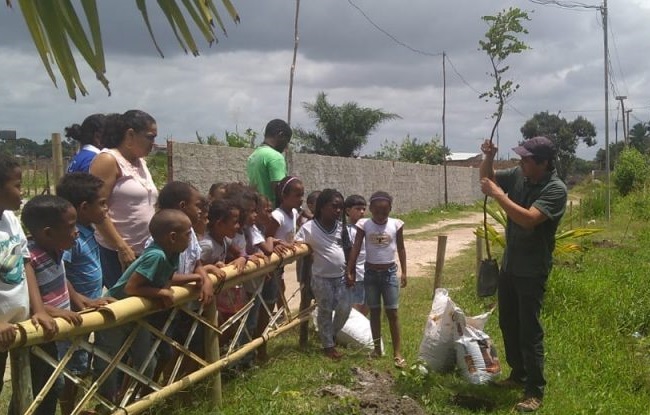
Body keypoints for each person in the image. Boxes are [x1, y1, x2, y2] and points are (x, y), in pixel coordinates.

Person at [479, 137, 567, 413]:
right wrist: (489, 158)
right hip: (511, 266)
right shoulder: (520, 175)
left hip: (532, 270)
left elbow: (529, 220)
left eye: (527, 159)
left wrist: (499, 196)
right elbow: (488, 178)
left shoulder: (555, 189)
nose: (521, 163)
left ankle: (534, 390)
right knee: (508, 323)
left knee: (529, 331)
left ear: (543, 163)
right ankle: (518, 375)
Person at [94, 209, 202, 403]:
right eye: (188, 234)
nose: (190, 238)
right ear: (172, 237)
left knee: (147, 361)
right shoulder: (157, 256)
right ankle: (105, 404)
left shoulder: (172, 253)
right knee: (109, 361)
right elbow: (131, 287)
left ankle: (132, 403)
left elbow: (166, 279)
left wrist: (193, 278)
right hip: (117, 310)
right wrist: (160, 293)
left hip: (138, 314)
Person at [0, 155, 57, 414]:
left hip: (16, 327)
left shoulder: (10, 220)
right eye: (17, 185)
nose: (22, 192)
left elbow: (25, 265)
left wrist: (39, 309)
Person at [56, 173, 114, 414]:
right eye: (102, 203)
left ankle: (77, 407)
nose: (107, 209)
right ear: (84, 207)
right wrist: (78, 298)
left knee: (81, 363)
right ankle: (69, 409)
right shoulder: (73, 236)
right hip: (72, 313)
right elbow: (60, 270)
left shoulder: (89, 231)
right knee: (71, 365)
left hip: (87, 309)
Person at [22, 195, 84, 415]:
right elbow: (26, 298)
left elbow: (62, 277)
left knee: (54, 382)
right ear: (48, 232)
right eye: (70, 226)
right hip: (40, 333)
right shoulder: (29, 256)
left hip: (58, 331)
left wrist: (80, 300)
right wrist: (53, 310)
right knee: (41, 389)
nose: (76, 231)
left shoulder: (56, 249)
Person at [90, 110, 159, 288]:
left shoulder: (140, 162)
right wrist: (121, 247)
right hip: (118, 253)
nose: (153, 143)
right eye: (150, 137)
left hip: (144, 250)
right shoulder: (107, 160)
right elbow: (97, 208)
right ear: (130, 135)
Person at [347, 191, 407, 369]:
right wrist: (349, 269)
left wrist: (404, 272)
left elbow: (401, 248)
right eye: (377, 211)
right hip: (371, 274)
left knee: (392, 313)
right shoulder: (364, 225)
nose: (381, 215)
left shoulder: (396, 225)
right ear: (371, 209)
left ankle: (397, 353)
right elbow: (356, 247)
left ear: (390, 209)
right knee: (374, 311)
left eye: (385, 211)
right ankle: (376, 349)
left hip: (389, 274)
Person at [295, 189, 351, 360]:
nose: (338, 211)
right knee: (325, 311)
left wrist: (350, 270)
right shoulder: (309, 228)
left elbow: (348, 250)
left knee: (344, 308)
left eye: (340, 207)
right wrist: (306, 251)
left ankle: (331, 335)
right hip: (321, 278)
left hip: (341, 276)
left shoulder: (341, 228)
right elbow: (296, 244)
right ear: (321, 207)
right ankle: (328, 346)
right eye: (334, 207)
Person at [246, 119, 292, 206]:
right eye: (287, 141)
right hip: (272, 213)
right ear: (280, 134)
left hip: (258, 212)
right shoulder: (275, 157)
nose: (286, 146)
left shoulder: (253, 156)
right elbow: (279, 192)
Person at [297, 190, 320, 347]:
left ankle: (322, 333)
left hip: (323, 271)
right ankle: (303, 336)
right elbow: (297, 242)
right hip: (308, 269)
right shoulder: (307, 226)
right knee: (305, 300)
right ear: (310, 206)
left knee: (322, 302)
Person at [344, 194, 368, 315]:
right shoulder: (347, 231)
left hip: (368, 273)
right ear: (348, 211)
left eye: (364, 209)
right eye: (358, 209)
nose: (362, 212)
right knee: (356, 306)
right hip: (356, 274)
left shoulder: (367, 228)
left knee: (366, 304)